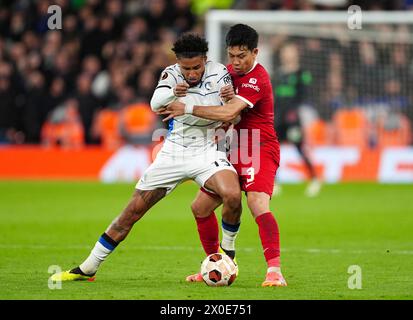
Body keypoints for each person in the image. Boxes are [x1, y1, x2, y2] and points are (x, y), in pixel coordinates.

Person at [50, 33, 243, 282]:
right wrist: (174, 92)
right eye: (187, 68)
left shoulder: (219, 73)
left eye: (196, 67)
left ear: (205, 60)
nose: (192, 73)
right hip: (173, 153)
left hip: (206, 149)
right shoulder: (172, 74)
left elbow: (233, 116)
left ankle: (228, 256)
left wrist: (227, 99)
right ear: (178, 63)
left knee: (233, 195)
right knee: (131, 214)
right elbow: (155, 103)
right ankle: (87, 268)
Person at [161, 24, 287, 287]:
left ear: (255, 52)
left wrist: (187, 107)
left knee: (257, 204)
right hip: (231, 148)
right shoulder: (225, 74)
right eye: (231, 56)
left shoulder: (258, 78)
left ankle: (274, 271)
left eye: (242, 56)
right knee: (199, 207)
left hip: (258, 147)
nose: (236, 62)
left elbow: (230, 113)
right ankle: (218, 263)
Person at [273, 42, 321, 197]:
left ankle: (314, 179)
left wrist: (296, 112)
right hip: (278, 117)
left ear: (295, 54)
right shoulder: (277, 73)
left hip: (293, 117)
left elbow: (304, 96)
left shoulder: (302, 73)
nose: (287, 54)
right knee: (272, 149)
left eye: (290, 51)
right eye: (285, 51)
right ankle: (274, 183)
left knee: (299, 147)